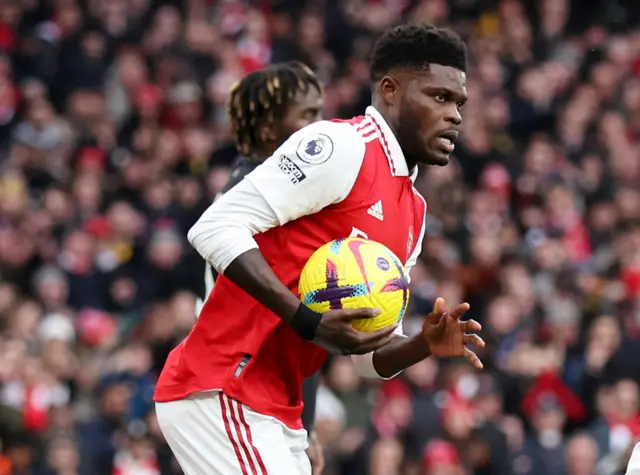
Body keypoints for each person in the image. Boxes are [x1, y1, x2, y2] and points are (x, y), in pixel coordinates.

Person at [154, 23, 484, 475]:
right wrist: (305, 319)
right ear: (390, 90)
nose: (455, 115)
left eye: (458, 103)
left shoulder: (415, 212)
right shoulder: (341, 146)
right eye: (439, 97)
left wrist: (422, 346)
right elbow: (214, 226)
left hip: (278, 408)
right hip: (224, 387)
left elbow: (363, 356)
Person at [195, 61, 326, 474]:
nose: (320, 127)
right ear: (269, 128)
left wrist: (305, 427)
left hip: (262, 390)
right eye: (308, 115)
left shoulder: (271, 189)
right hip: (239, 388)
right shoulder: (254, 200)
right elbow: (294, 320)